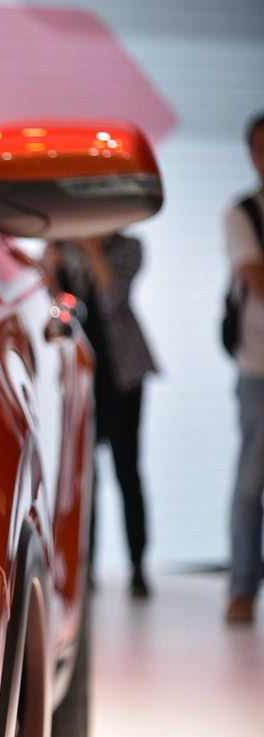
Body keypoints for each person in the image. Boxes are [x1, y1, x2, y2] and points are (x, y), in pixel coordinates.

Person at [45, 232, 158, 598]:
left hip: (122, 377)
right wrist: (51, 272)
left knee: (128, 473)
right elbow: (59, 313)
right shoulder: (61, 249)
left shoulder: (128, 247)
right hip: (81, 379)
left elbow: (111, 300)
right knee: (84, 477)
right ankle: (85, 569)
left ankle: (138, 566)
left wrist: (93, 249)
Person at [224, 111, 264, 624]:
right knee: (251, 482)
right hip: (258, 364)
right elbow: (255, 276)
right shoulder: (242, 213)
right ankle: (242, 586)